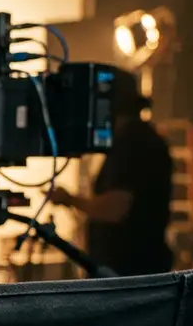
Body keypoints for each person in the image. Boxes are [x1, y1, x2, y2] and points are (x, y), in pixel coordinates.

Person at [49, 85, 173, 277]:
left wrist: (69, 200)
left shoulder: (134, 143)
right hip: (133, 270)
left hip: (129, 272)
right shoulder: (136, 140)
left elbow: (115, 207)